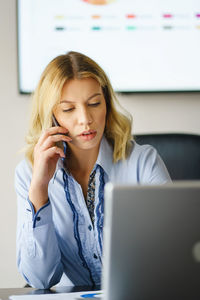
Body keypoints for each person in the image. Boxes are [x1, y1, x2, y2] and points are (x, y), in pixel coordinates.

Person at [15, 51, 171, 289]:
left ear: (106, 104)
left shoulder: (142, 162)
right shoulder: (28, 173)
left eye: (94, 103)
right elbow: (40, 280)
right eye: (68, 109)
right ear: (52, 116)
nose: (85, 119)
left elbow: (174, 254)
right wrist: (39, 189)